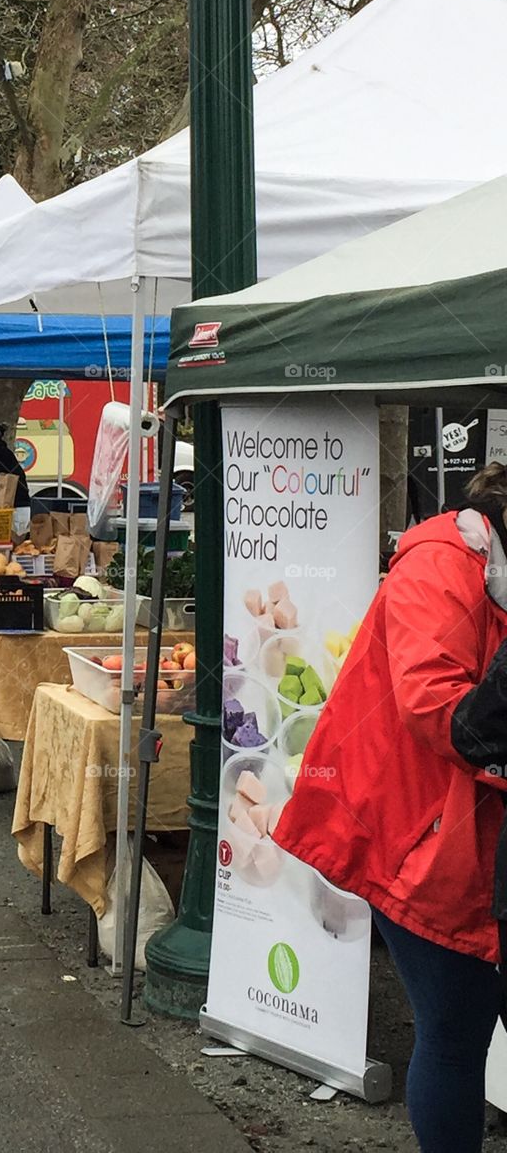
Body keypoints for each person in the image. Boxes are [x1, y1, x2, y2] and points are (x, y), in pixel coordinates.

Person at [273, 463, 507, 1153]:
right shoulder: (441, 564)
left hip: (476, 829)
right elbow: (442, 716)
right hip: (418, 829)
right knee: (456, 1026)